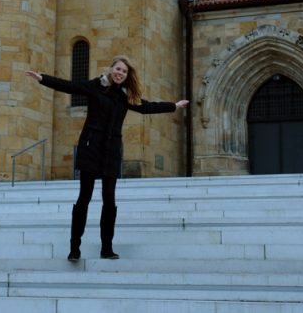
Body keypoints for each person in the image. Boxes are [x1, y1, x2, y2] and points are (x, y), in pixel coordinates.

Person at [26, 56, 189, 261]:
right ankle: (74, 248)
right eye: (118, 69)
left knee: (109, 201)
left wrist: (173, 106)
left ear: (127, 76)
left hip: (111, 151)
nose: (120, 73)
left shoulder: (125, 96)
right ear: (111, 69)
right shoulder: (96, 86)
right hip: (90, 148)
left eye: (124, 71)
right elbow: (70, 86)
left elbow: (147, 107)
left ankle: (107, 248)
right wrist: (43, 78)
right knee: (84, 198)